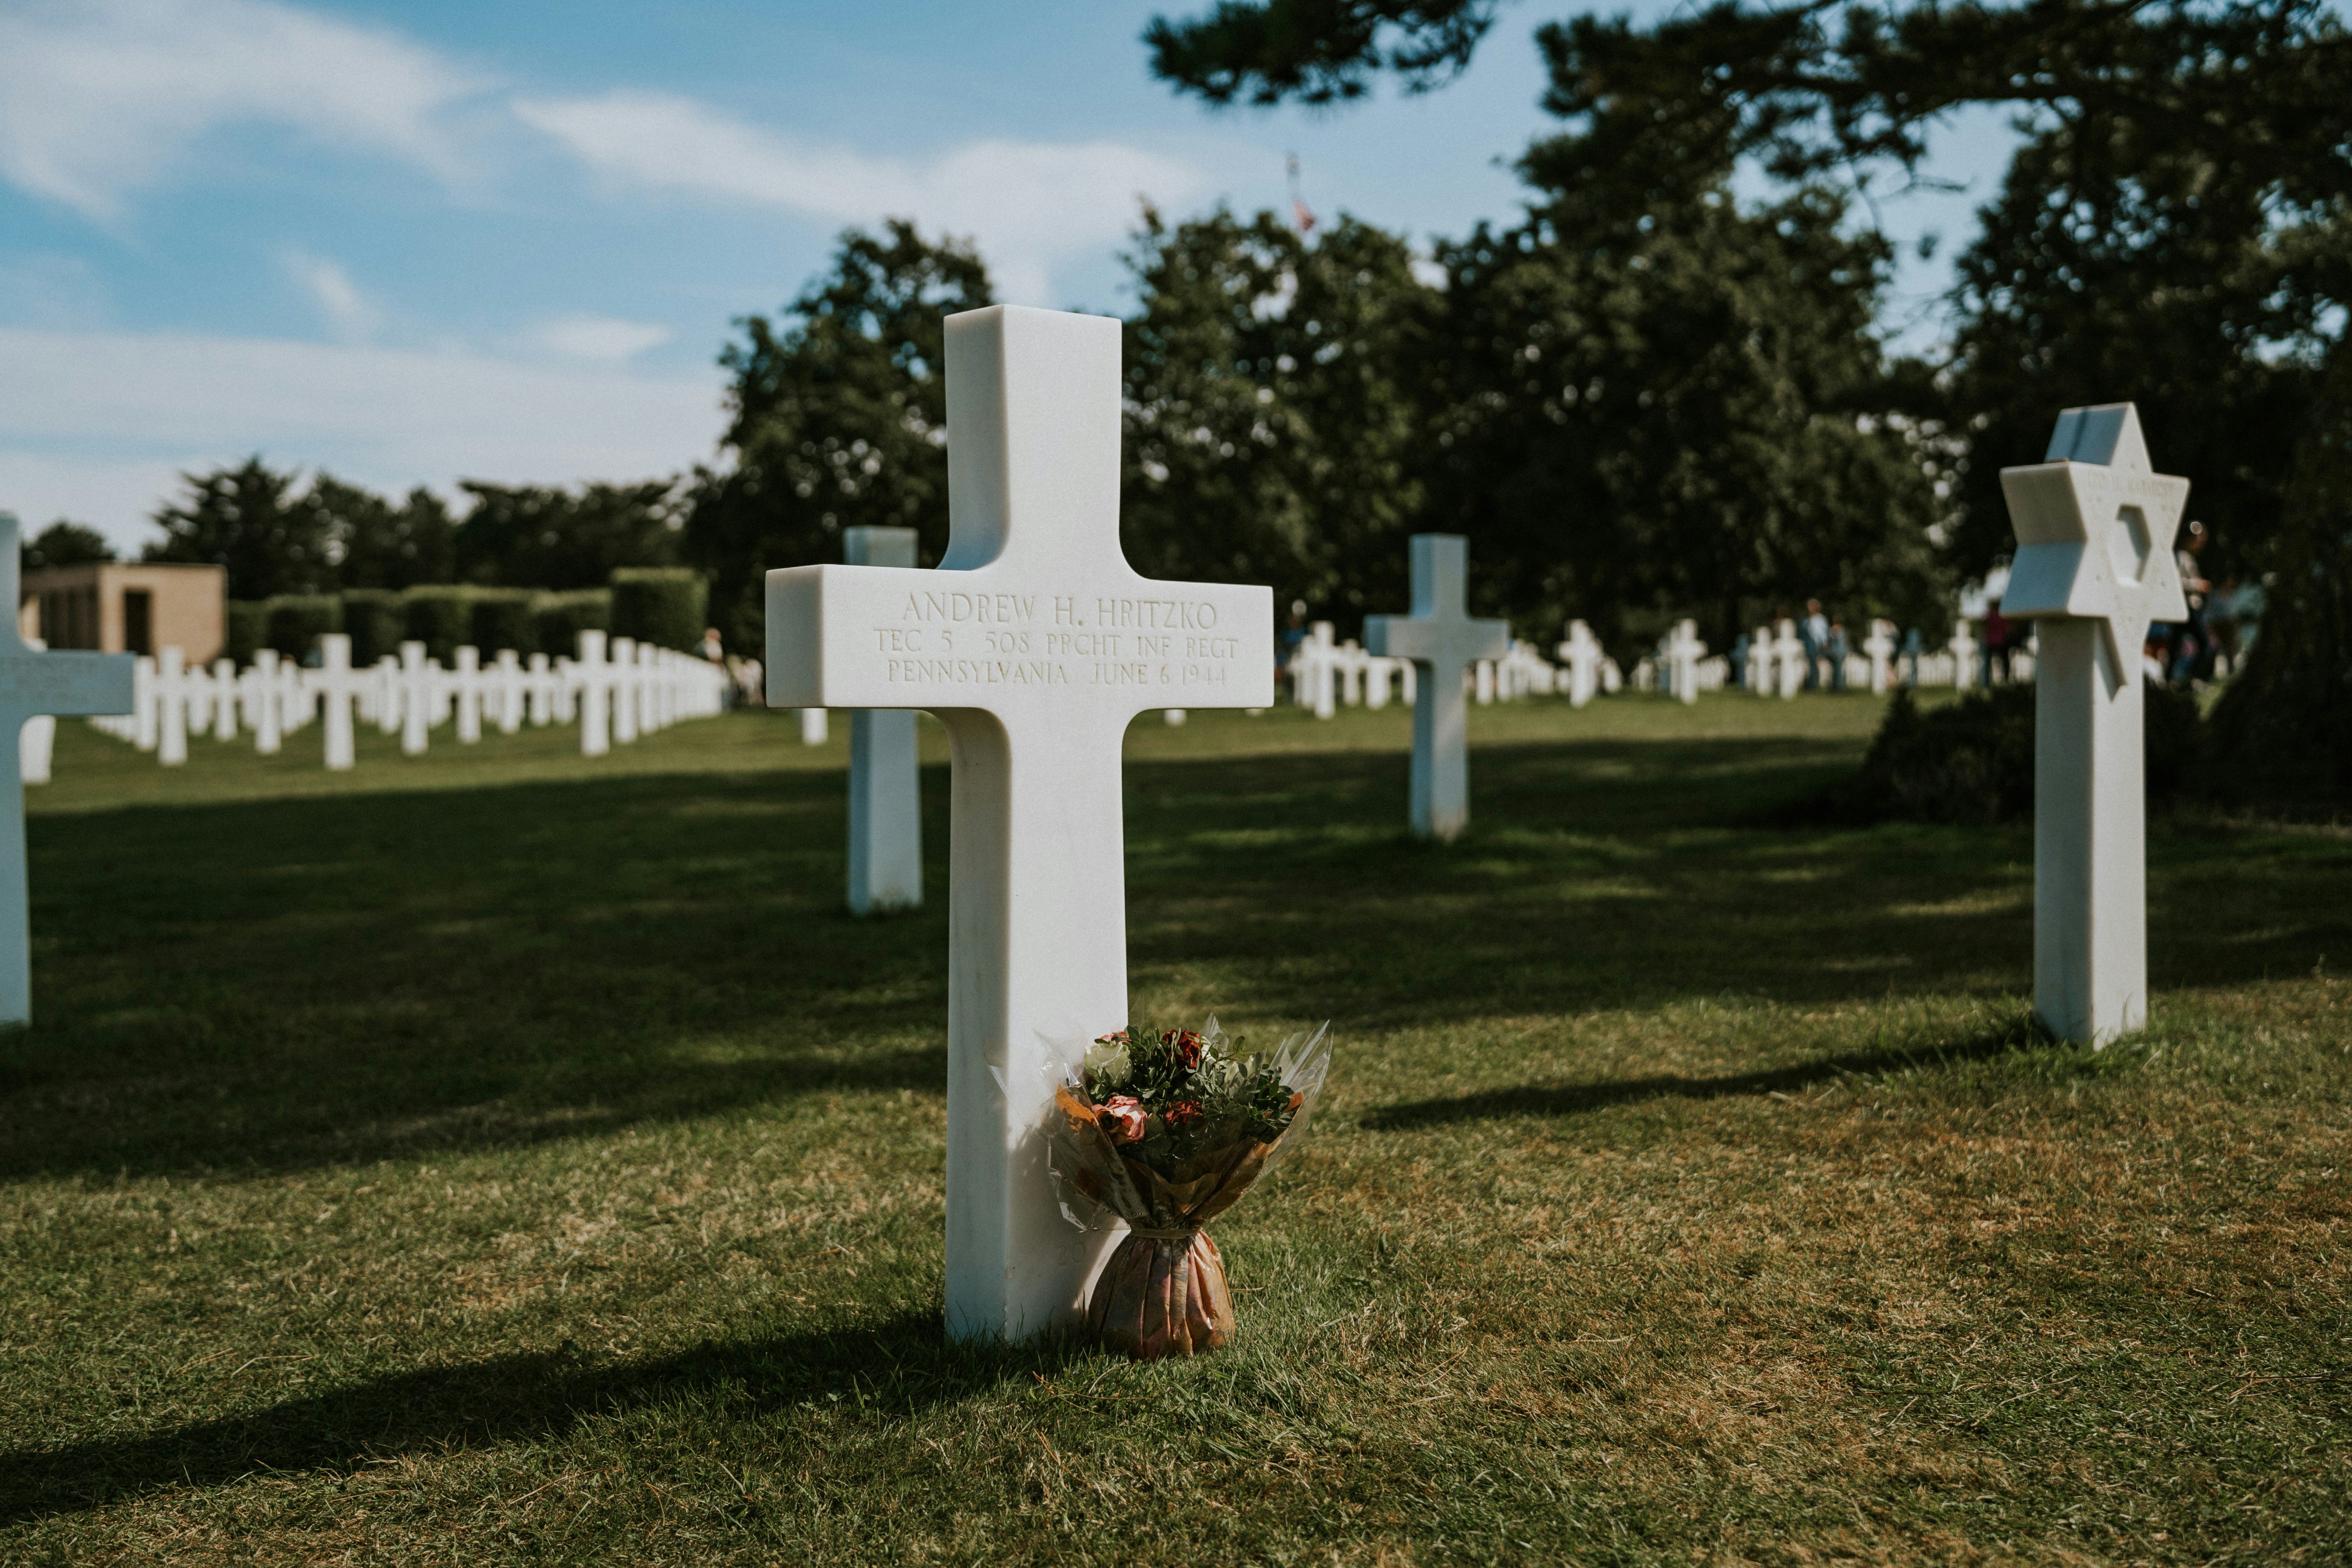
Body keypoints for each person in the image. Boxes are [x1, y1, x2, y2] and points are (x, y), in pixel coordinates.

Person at [1802, 598, 1829, 690]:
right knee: (1810, 665)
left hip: (1816, 645)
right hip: (1808, 644)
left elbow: (1822, 633)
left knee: (1814, 664)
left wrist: (1824, 643)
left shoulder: (1820, 619)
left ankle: (1813, 685)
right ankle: (1810, 684)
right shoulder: (1806, 620)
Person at [1824, 619, 1849, 692]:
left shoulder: (1835, 630)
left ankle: (1838, 687)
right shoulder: (1842, 631)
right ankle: (1837, 686)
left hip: (1837, 653)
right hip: (1838, 653)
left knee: (1838, 670)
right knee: (1837, 670)